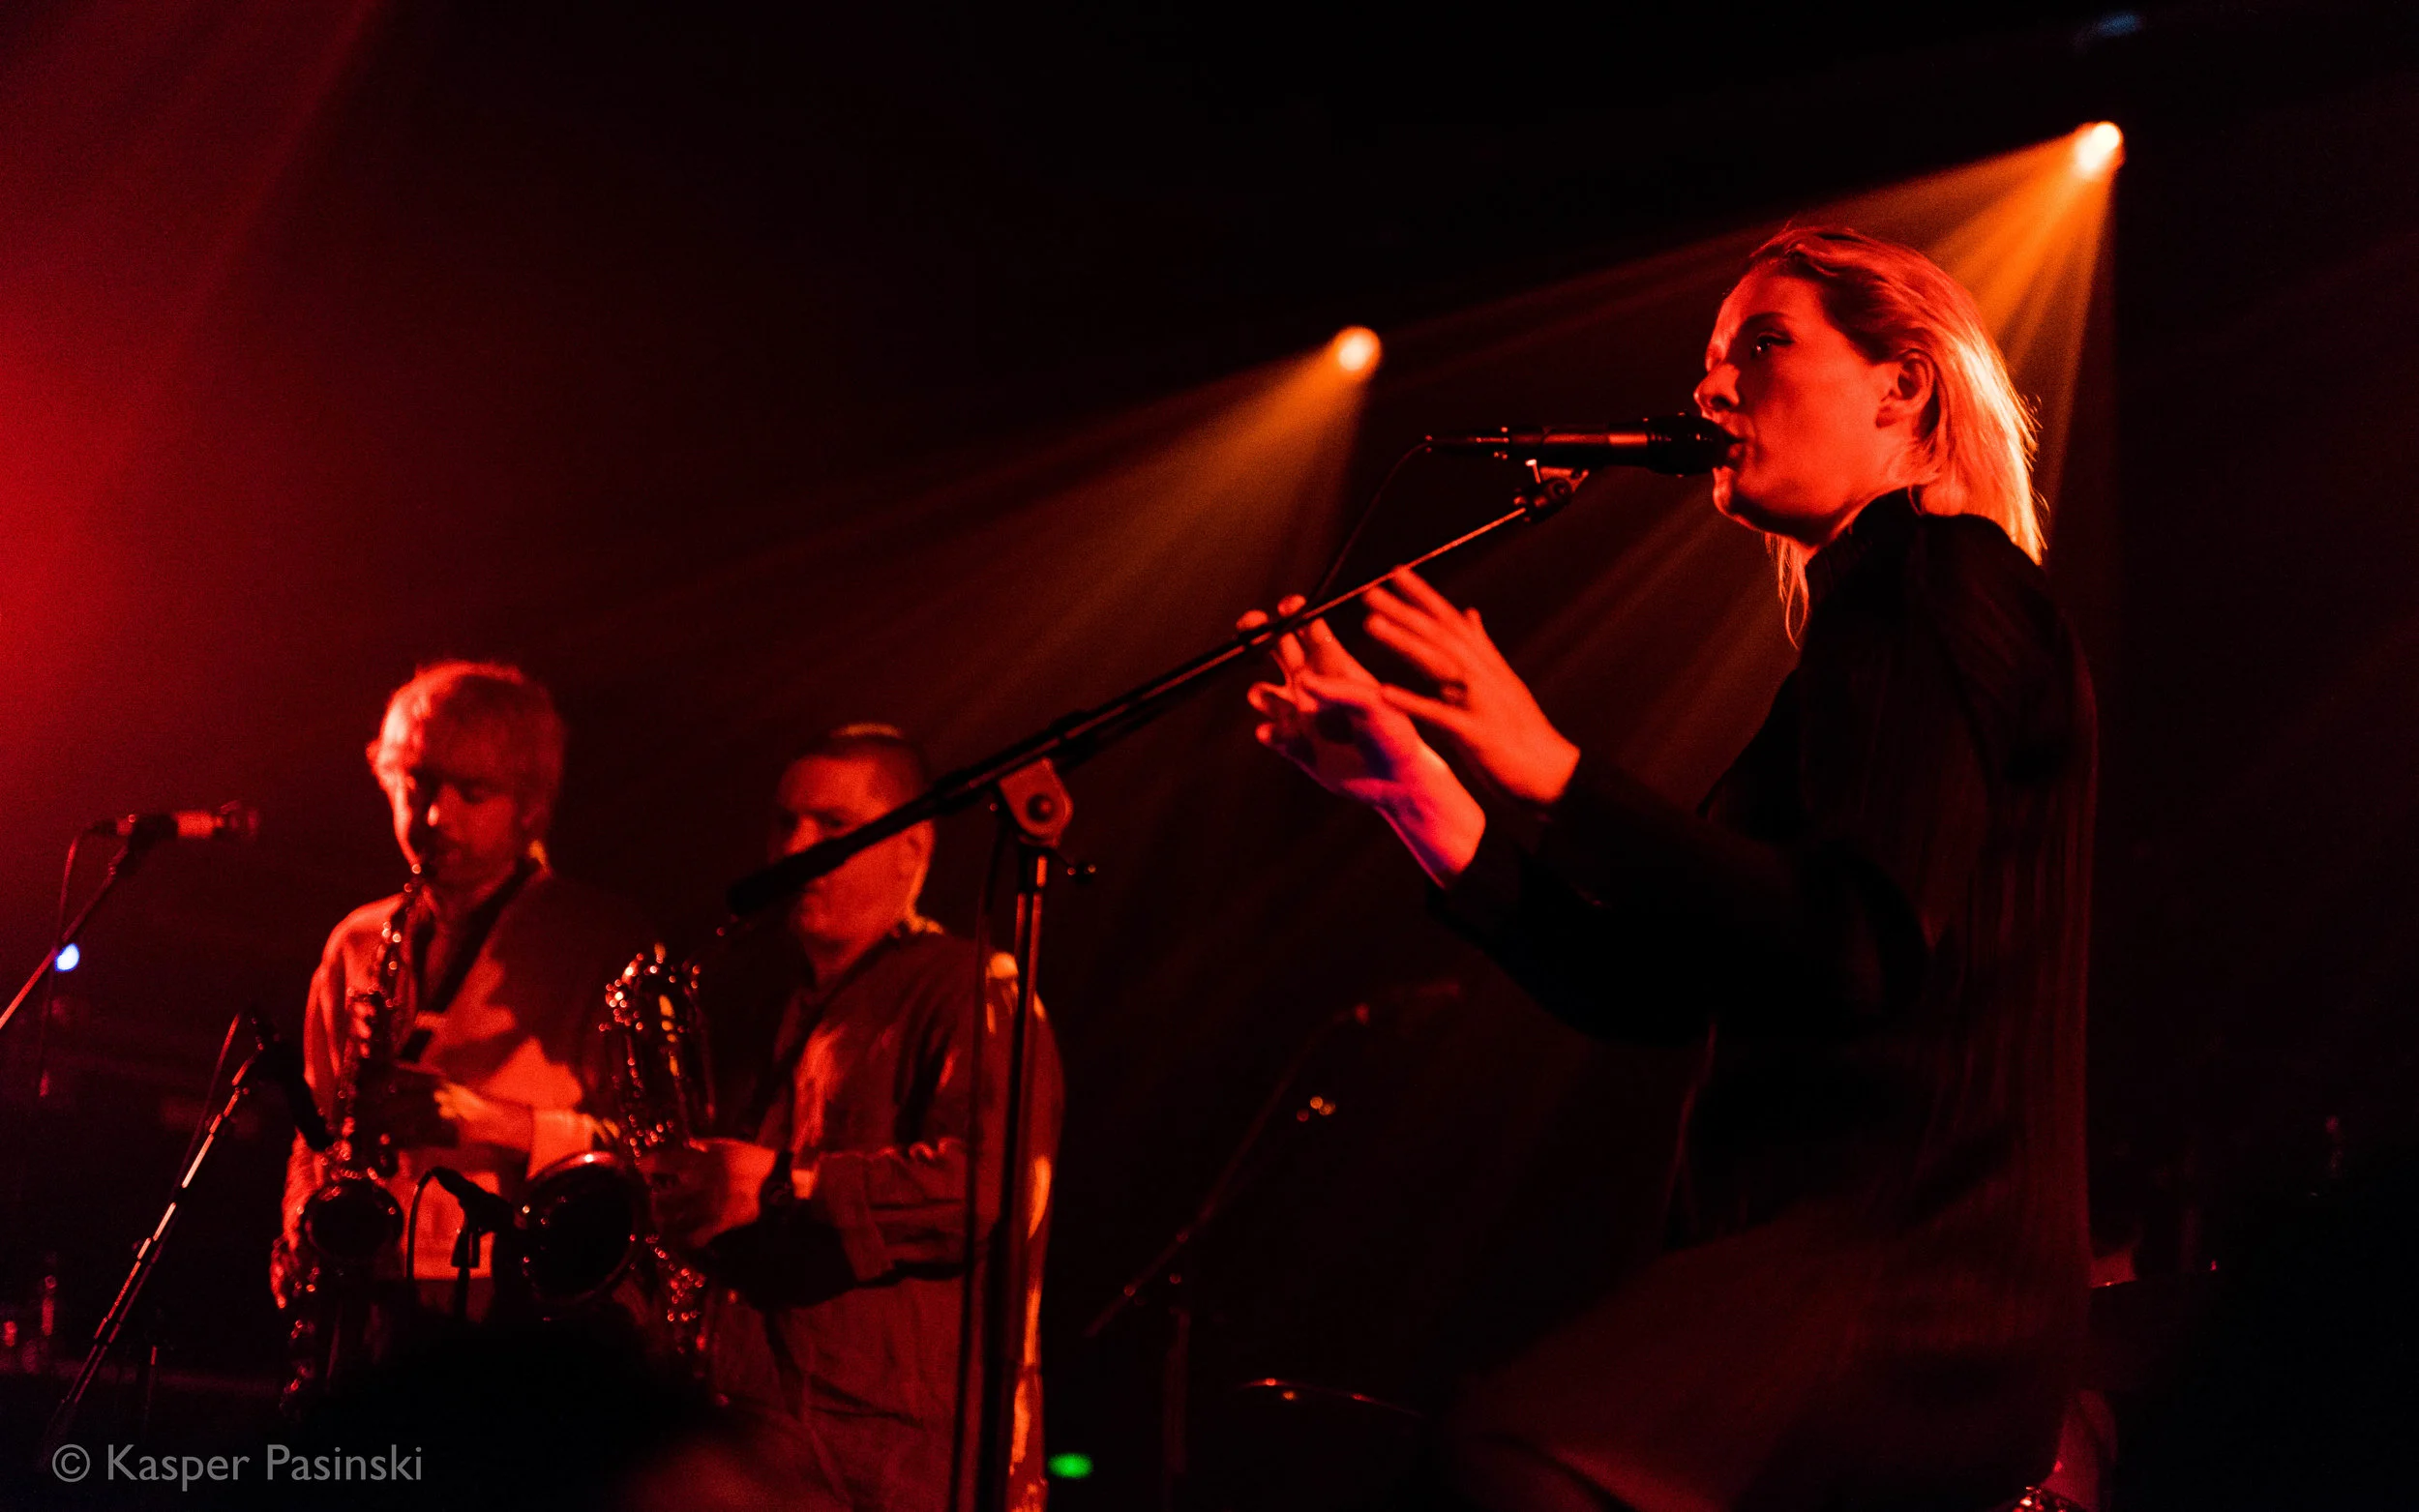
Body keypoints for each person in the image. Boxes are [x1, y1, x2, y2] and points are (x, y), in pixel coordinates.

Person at [1243, 227, 2096, 1511]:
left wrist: (1553, 768)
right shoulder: (1861, 641)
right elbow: (1635, 986)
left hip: (1917, 1263)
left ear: (1902, 384)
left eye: (1762, 344)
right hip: (1813, 1255)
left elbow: (1857, 944)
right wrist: (1418, 790)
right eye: (1709, 357)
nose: (1709, 385)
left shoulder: (1941, 578)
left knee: (1515, 1458)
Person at [642, 724, 1063, 1512]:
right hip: (758, 1437)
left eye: (833, 826)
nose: (795, 847)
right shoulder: (769, 998)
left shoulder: (971, 985)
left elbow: (986, 1189)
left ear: (913, 848)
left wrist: (776, 1183)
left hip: (890, 1465)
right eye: (785, 821)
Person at [275, 663, 649, 1352]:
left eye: (472, 792)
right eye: (418, 783)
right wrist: (303, 1215)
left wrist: (494, 1122)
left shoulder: (602, 942)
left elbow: (650, 1156)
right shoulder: (356, 939)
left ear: (531, 807)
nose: (435, 817)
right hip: (367, 1287)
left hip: (519, 1299)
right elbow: (314, 1124)